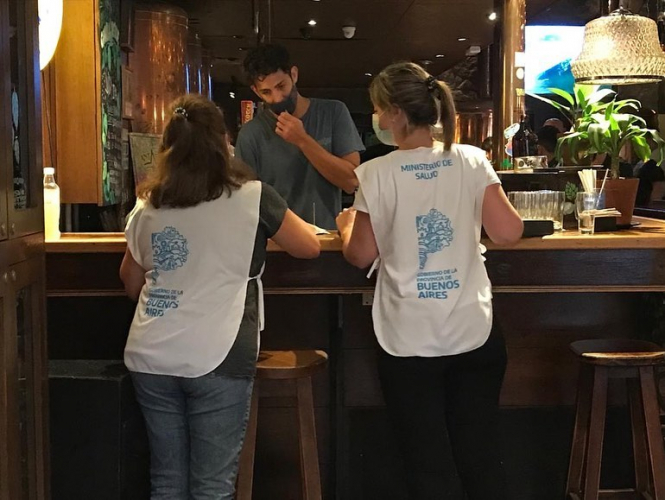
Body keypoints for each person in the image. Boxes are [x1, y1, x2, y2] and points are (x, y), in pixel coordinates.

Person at [336, 62, 523, 500]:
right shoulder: (471, 159)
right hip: (472, 329)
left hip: (408, 336)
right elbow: (508, 232)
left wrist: (346, 226)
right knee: (480, 454)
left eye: (378, 109)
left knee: (426, 462)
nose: (376, 119)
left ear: (396, 113)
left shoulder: (376, 173)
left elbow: (360, 254)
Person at [119, 94, 320, 499]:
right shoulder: (254, 196)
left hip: (151, 354)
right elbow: (308, 247)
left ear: (166, 148)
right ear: (224, 142)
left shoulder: (147, 204)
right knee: (212, 487)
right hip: (218, 352)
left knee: (166, 481)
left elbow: (130, 281)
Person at [235, 43, 365, 229]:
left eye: (281, 86)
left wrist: (302, 140)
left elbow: (351, 182)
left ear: (294, 75)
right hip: (275, 241)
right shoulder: (250, 135)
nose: (277, 98)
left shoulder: (333, 112)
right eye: (266, 92)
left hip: (328, 238)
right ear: (256, 91)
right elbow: (245, 202)